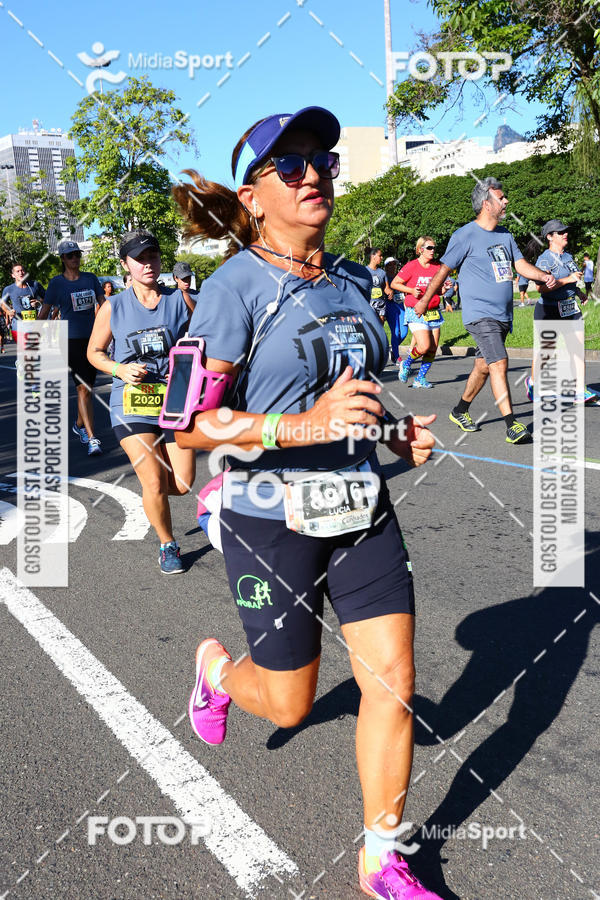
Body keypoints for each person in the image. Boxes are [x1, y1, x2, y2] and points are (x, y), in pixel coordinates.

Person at [172, 105, 442, 900]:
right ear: (254, 197)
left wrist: (394, 433)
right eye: (288, 167)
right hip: (268, 514)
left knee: (391, 679)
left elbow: (352, 394)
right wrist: (301, 425)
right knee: (290, 703)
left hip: (361, 507)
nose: (314, 173)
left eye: (320, 158)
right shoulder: (231, 290)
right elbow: (186, 427)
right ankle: (219, 672)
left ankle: (381, 857)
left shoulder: (353, 284)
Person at [415, 177, 557, 443]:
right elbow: (444, 269)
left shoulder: (505, 234)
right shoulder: (465, 235)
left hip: (503, 315)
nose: (506, 202)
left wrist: (541, 275)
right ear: (486, 203)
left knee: (483, 366)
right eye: (501, 198)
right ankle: (512, 425)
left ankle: (460, 410)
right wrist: (424, 301)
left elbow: (520, 265)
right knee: (500, 361)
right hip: (480, 315)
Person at [87, 229, 196, 573]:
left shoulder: (179, 300)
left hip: (175, 398)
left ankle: (156, 500)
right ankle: (168, 544)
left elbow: (207, 337)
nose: (148, 264)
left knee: (181, 483)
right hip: (131, 403)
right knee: (152, 481)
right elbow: (94, 352)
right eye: (140, 259)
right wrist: (119, 368)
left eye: (153, 256)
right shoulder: (113, 306)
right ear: (126, 265)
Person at [37, 240, 105, 455]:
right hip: (69, 341)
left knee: (87, 389)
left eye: (77, 254)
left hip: (94, 339)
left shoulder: (91, 279)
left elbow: (104, 306)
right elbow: (45, 312)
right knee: (83, 387)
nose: (75, 258)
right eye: (70, 255)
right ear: (63, 259)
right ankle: (93, 439)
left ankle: (78, 424)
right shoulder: (56, 283)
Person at [523, 220, 598, 404]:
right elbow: (541, 289)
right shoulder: (545, 259)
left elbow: (572, 280)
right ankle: (532, 383)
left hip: (570, 308)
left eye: (565, 231)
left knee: (577, 349)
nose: (565, 234)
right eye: (560, 232)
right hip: (549, 309)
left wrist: (578, 292)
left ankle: (580, 392)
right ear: (550, 237)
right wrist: (566, 280)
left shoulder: (568, 256)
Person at [392, 237, 444, 389]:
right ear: (421, 249)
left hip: (433, 310)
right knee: (423, 346)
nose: (432, 250)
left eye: (434, 248)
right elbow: (395, 283)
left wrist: (443, 290)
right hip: (415, 310)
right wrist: (411, 290)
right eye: (429, 248)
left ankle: (420, 379)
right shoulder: (411, 266)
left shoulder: (437, 267)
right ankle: (406, 364)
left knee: (433, 349)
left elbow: (438, 289)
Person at [1, 263, 46, 354]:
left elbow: (47, 299)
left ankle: (22, 364)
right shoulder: (9, 289)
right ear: (13, 275)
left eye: (22, 270)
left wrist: (38, 303)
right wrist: (8, 311)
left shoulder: (35, 285)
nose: (21, 273)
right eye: (17, 271)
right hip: (18, 324)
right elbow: (2, 304)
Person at [383, 256, 407, 365]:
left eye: (394, 264)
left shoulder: (399, 277)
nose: (393, 266)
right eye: (391, 264)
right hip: (390, 306)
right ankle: (397, 357)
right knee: (395, 331)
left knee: (404, 331)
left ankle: (393, 349)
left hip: (401, 306)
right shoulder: (384, 277)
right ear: (386, 266)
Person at [366, 248, 389, 323]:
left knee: (380, 327)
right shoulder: (364, 271)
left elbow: (386, 288)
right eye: (380, 255)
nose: (382, 258)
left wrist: (390, 292)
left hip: (381, 303)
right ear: (373, 257)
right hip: (369, 303)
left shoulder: (382, 273)